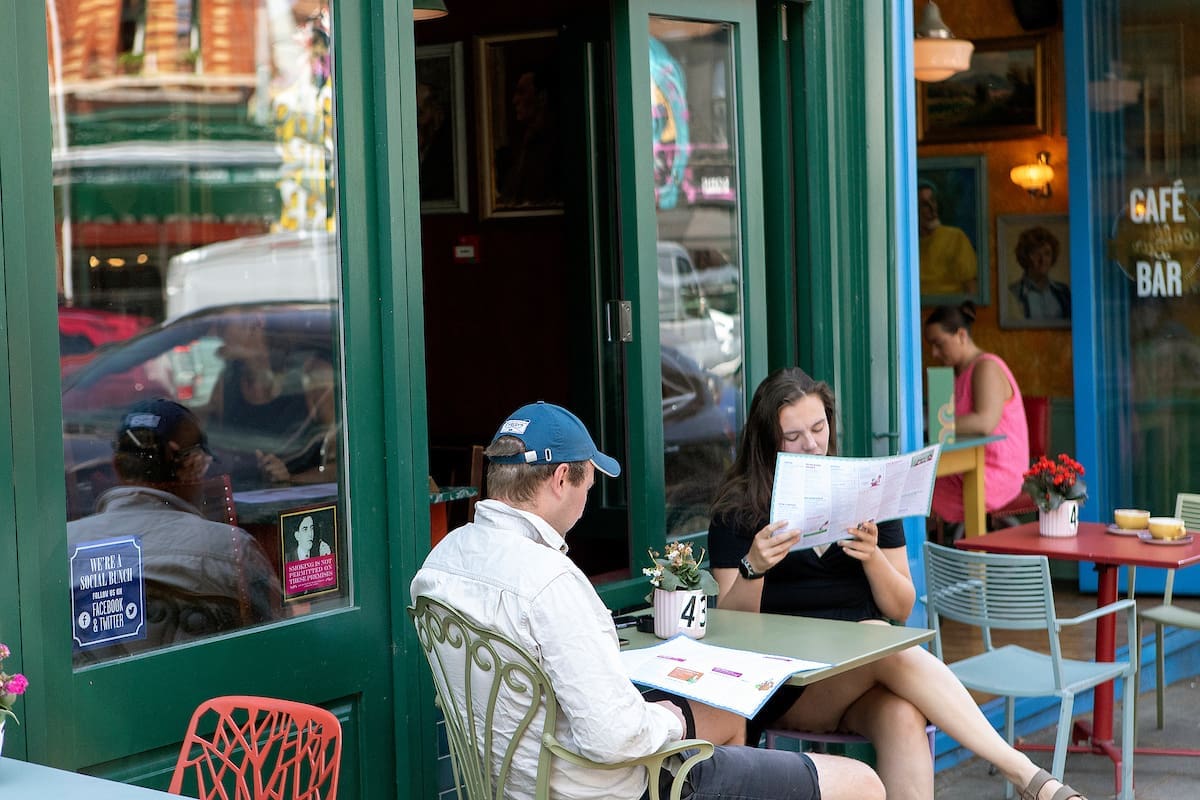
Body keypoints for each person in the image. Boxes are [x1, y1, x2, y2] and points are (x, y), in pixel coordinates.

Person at [411, 401, 885, 800]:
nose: (589, 497)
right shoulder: (550, 581)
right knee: (861, 782)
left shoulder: (439, 563)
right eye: (587, 485)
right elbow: (613, 738)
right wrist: (668, 721)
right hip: (605, 787)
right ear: (560, 479)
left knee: (726, 712)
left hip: (508, 782)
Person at [708, 369, 1083, 800]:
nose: (812, 443)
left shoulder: (864, 490)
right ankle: (1026, 775)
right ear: (767, 440)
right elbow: (731, 626)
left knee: (903, 713)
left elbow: (902, 604)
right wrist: (755, 566)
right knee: (879, 637)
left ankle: (1029, 779)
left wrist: (871, 557)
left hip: (865, 673)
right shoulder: (740, 509)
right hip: (789, 683)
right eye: (793, 436)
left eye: (818, 428)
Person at [69, 399, 280, 661]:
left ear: (116, 465)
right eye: (202, 464)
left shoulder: (65, 546)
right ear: (190, 465)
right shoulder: (233, 549)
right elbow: (280, 644)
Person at [925, 303, 1030, 524]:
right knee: (919, 486)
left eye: (938, 344)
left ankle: (950, 555)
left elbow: (985, 422)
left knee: (922, 491)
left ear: (961, 335)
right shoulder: (957, 373)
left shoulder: (986, 367)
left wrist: (931, 427)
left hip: (996, 473)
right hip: (969, 465)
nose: (934, 353)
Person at [256, 353, 338, 484]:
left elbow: (340, 470)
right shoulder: (303, 432)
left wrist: (290, 479)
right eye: (309, 387)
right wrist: (273, 469)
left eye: (321, 388)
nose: (314, 396)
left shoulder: (349, 429)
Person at [918, 180, 978, 297]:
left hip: (952, 311)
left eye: (933, 201)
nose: (932, 208)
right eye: (925, 204)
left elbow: (971, 286)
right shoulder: (906, 244)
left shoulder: (955, 237)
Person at [1009, 226, 1071, 321]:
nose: (1042, 260)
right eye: (1036, 253)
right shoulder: (1013, 292)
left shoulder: (1063, 291)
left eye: (1047, 253)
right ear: (1025, 256)